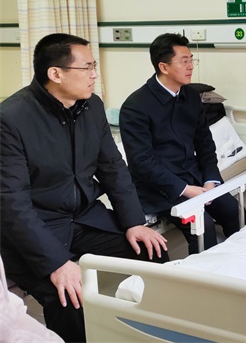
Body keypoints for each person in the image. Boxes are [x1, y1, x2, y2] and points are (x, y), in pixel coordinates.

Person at [0, 33, 168, 343]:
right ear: (56, 73)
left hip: (85, 219)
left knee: (154, 253)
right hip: (37, 230)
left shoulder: (91, 106)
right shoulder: (11, 119)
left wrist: (134, 223)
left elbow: (113, 167)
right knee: (69, 298)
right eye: (87, 67)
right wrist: (56, 263)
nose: (94, 75)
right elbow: (12, 204)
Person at [119, 33, 239, 255]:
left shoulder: (191, 96)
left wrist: (211, 180)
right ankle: (205, 274)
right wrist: (184, 189)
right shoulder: (136, 106)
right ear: (163, 67)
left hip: (194, 176)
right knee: (203, 226)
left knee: (234, 211)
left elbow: (205, 143)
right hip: (159, 186)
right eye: (184, 61)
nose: (190, 66)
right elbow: (142, 162)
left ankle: (244, 261)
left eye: (191, 59)